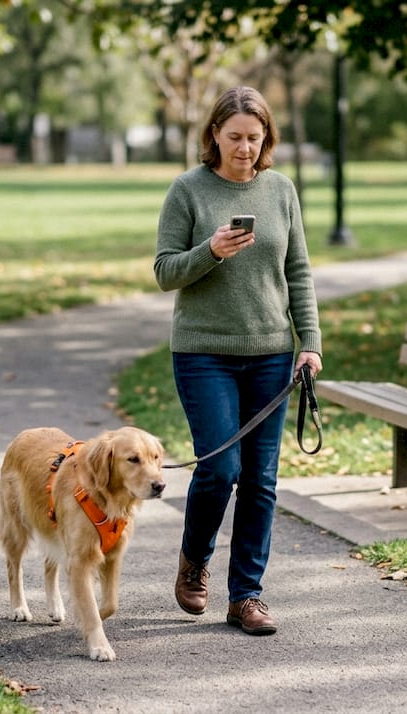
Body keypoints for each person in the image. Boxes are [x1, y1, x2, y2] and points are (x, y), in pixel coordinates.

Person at [153, 86, 323, 636]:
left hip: (271, 354)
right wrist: (211, 251)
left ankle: (246, 595)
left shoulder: (281, 190)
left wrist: (310, 341)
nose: (245, 148)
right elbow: (163, 271)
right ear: (214, 136)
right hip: (203, 351)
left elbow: (297, 271)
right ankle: (194, 561)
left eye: (255, 138)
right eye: (234, 138)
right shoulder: (188, 190)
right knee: (220, 468)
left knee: (261, 479)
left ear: (266, 138)